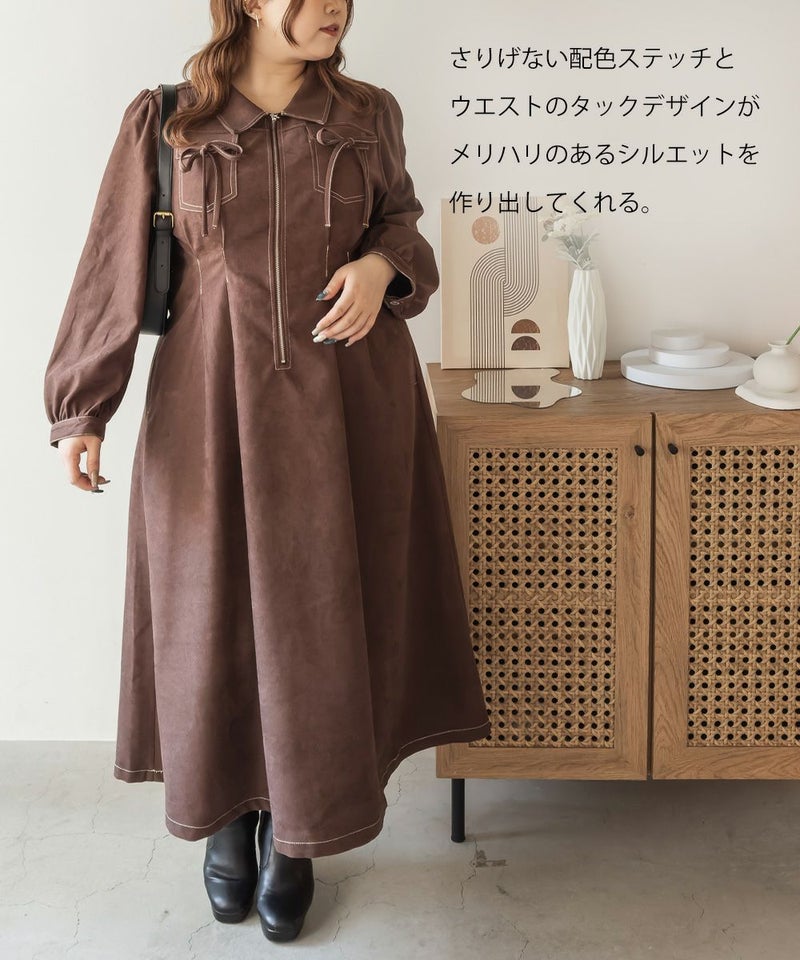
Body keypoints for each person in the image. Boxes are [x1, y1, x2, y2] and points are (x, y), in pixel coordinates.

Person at [43, 0, 492, 943]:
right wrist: (83, 407)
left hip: (350, 403)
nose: (335, 7)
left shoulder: (367, 112)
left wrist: (380, 266)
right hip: (210, 399)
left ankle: (301, 830)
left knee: (321, 617)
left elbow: (404, 224)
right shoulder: (169, 118)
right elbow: (111, 263)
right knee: (213, 610)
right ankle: (230, 817)